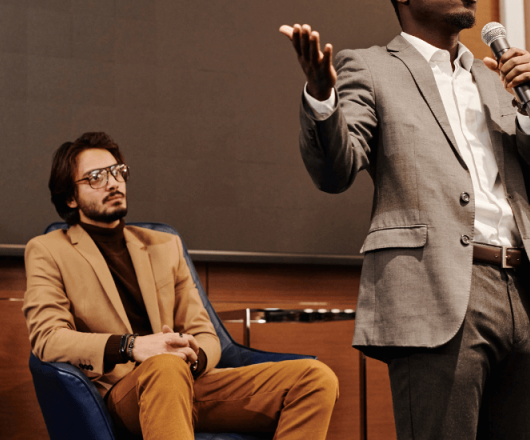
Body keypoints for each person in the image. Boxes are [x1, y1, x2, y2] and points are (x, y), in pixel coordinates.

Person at [281, 0, 530, 439]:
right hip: (436, 290)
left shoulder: (494, 77)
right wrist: (323, 97)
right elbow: (337, 171)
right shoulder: (369, 67)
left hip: (522, 288)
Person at [23, 132, 339, 440]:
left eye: (117, 172)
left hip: (190, 380)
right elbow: (48, 339)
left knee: (315, 378)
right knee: (163, 366)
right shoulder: (48, 249)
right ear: (70, 197)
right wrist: (132, 346)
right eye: (95, 177)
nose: (113, 182)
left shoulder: (165, 245)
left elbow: (205, 333)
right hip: (126, 392)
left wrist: (193, 355)